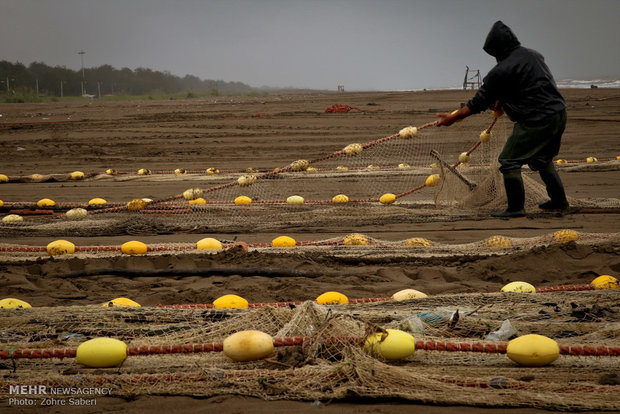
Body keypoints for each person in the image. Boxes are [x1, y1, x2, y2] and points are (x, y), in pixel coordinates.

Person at [436, 20, 569, 218]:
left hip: (536, 120)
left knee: (508, 161)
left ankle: (516, 208)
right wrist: (503, 99)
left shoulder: (500, 71)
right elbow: (526, 85)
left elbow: (477, 103)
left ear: (496, 49)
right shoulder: (534, 55)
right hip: (559, 113)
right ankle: (559, 202)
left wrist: (452, 118)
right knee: (542, 159)